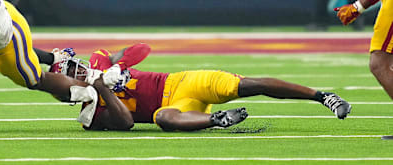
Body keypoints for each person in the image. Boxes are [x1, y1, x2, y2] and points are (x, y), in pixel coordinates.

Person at [42, 44, 351, 131]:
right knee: (164, 120)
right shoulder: (90, 115)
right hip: (176, 109)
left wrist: (116, 68)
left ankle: (322, 96)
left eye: (72, 66)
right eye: (69, 74)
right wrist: (104, 90)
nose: (77, 72)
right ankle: (217, 120)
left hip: (180, 82)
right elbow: (124, 123)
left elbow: (142, 48)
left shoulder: (100, 60)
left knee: (248, 84)